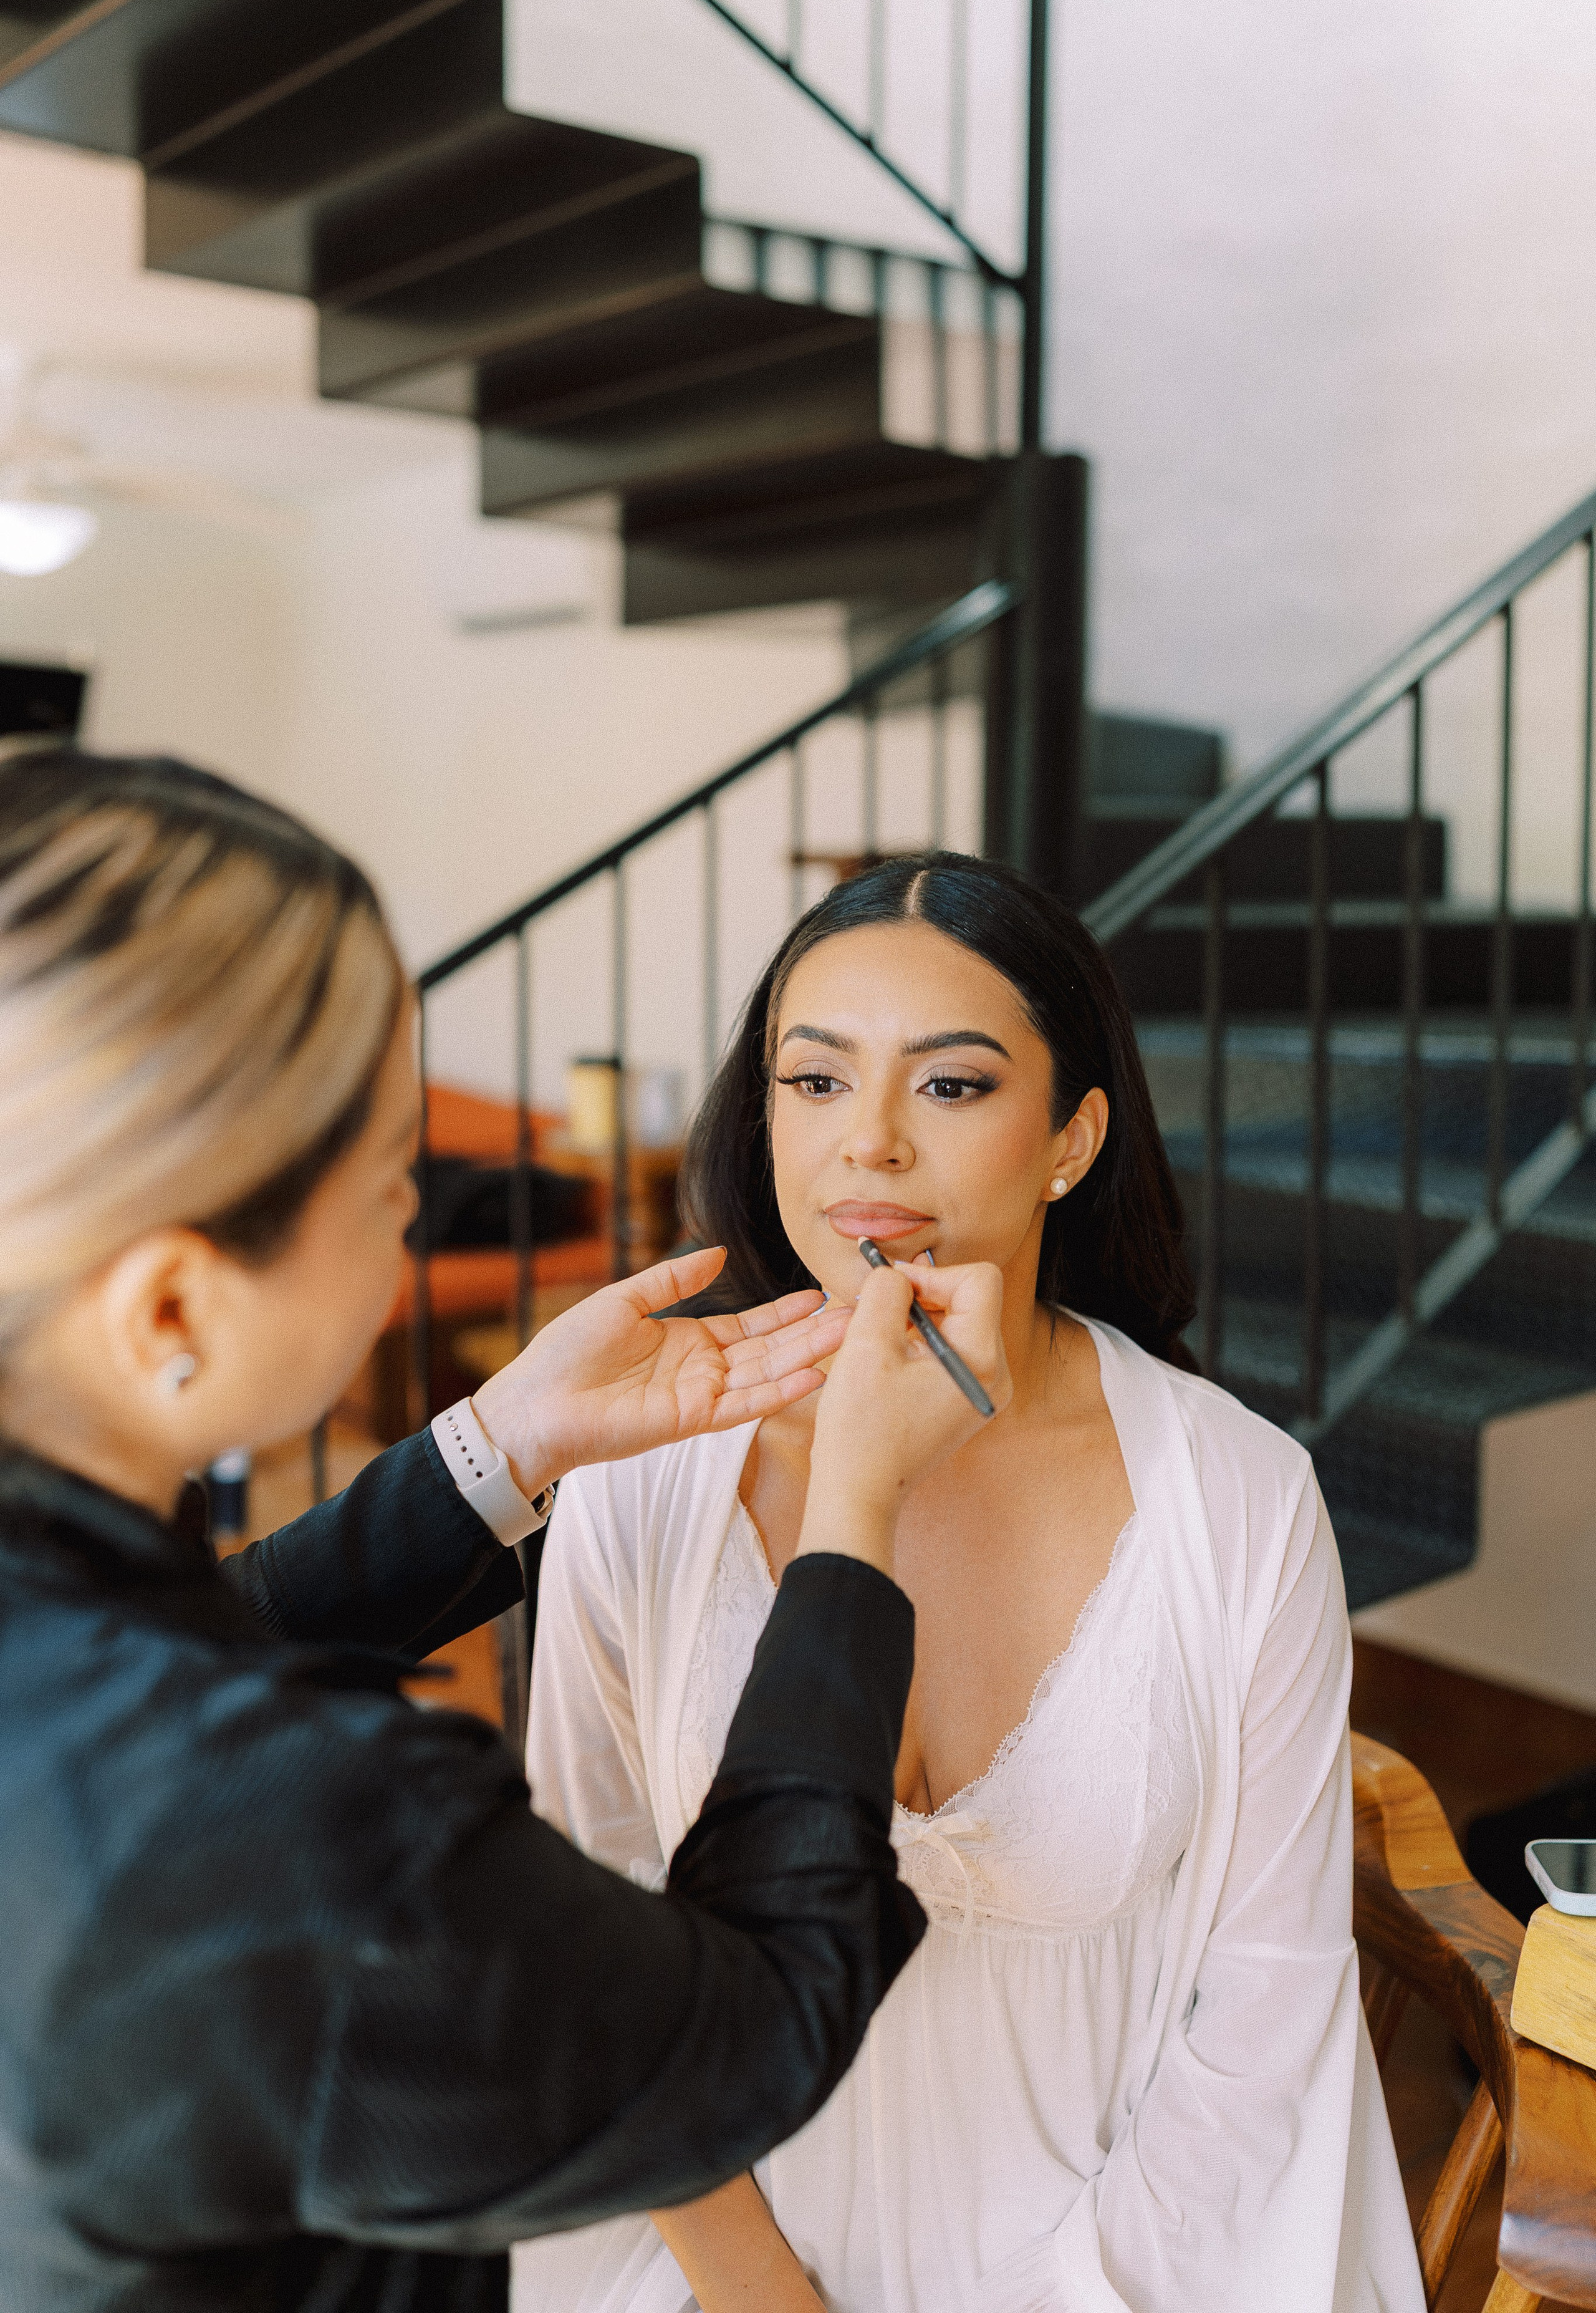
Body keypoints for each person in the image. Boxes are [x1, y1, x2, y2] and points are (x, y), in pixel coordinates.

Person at [0, 747, 1014, 2313]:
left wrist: (502, 1442)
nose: (414, 1214)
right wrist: (852, 1509)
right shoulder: (285, 1837)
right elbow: (749, 2029)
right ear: (174, 1308)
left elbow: (170, 1653)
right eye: (385, 1178)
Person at [513, 852, 1426, 2313]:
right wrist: (766, 2300)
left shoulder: (1238, 1498)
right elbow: (588, 1945)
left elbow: (1265, 2019)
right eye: (814, 1081)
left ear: (1070, 1139)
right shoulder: (642, 1473)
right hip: (704, 2271)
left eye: (947, 1085)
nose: (867, 1145)